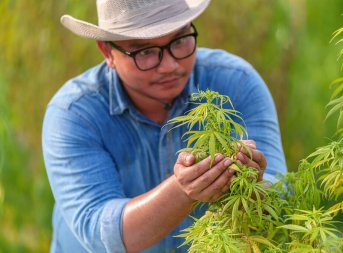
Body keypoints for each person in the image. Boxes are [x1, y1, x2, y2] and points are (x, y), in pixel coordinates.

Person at [42, 0, 287, 252]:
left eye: (179, 41)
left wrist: (254, 185)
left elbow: (280, 199)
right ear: (107, 52)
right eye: (145, 52)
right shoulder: (74, 113)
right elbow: (102, 233)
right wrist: (184, 190)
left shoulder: (236, 84)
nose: (170, 65)